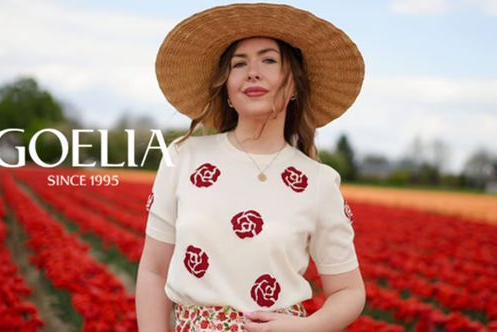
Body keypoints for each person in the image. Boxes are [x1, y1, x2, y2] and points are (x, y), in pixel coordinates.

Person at [136, 3, 366, 332]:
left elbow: (349, 290)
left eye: (268, 60)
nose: (252, 72)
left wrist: (306, 327)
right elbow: (153, 271)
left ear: (294, 85)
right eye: (238, 64)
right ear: (227, 88)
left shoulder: (318, 181)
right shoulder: (183, 157)